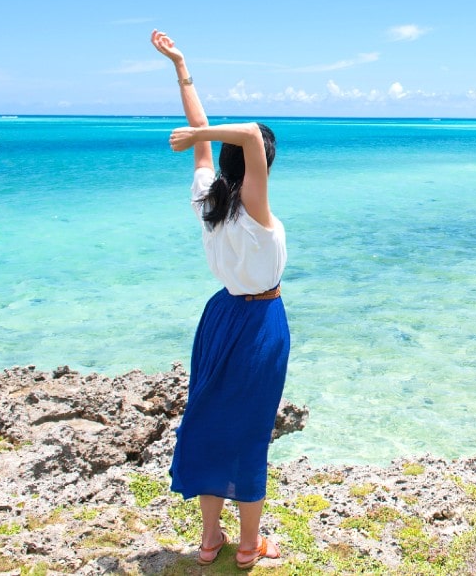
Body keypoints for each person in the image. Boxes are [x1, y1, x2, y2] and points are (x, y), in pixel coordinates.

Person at [151, 29, 288, 568]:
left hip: (220, 316)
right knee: (251, 429)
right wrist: (200, 130)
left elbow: (215, 146)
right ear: (261, 166)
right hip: (259, 324)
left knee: (208, 417)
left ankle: (210, 542)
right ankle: (249, 547)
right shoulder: (255, 210)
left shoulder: (209, 199)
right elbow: (251, 134)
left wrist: (182, 69)